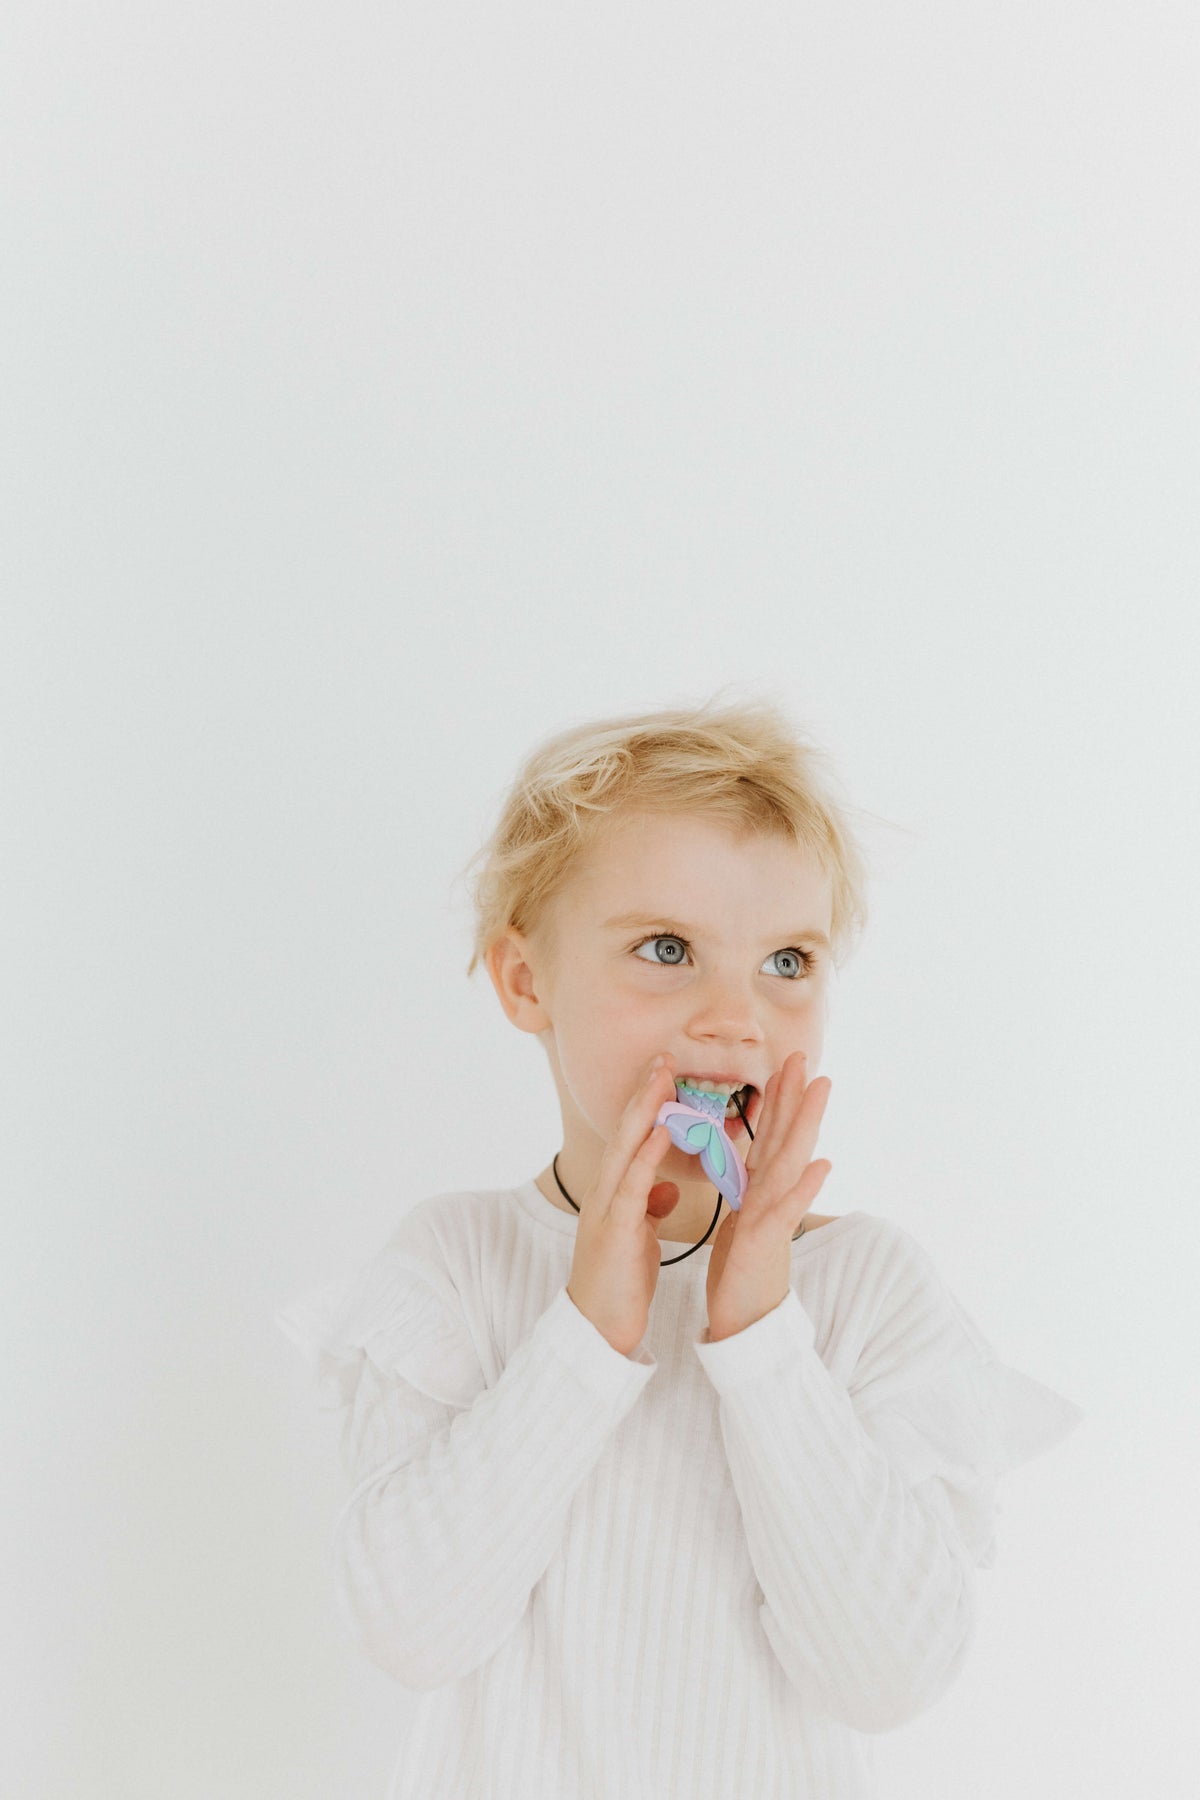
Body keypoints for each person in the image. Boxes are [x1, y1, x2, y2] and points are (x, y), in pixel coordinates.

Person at [277, 692, 1083, 1799]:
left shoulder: (863, 1289)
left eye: (788, 963)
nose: (736, 1017)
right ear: (525, 981)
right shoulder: (453, 1266)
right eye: (668, 949)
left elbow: (885, 1679)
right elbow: (412, 1633)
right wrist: (585, 1337)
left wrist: (761, 1334)